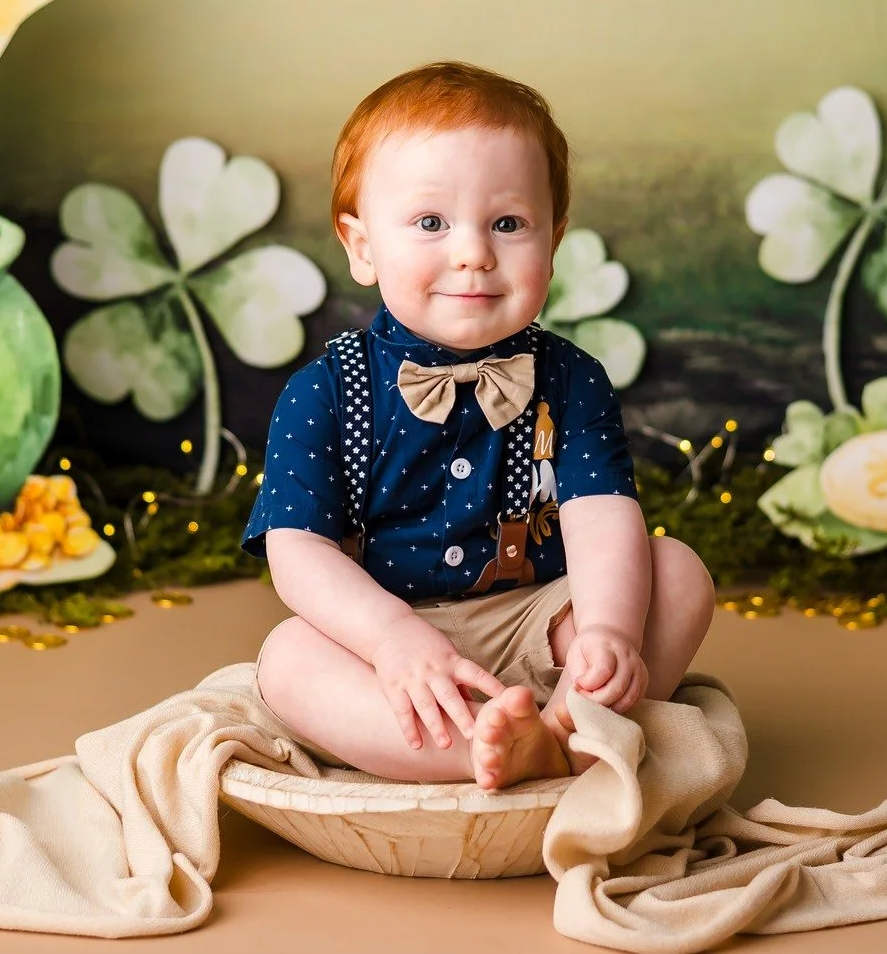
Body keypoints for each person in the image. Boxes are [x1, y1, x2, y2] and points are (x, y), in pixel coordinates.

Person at [245, 62, 715, 790]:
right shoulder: (325, 391)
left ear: (553, 239)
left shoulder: (570, 378)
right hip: (387, 638)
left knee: (676, 572)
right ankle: (478, 754)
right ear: (362, 244)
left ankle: (569, 722)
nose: (474, 251)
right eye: (431, 222)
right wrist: (392, 637)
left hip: (536, 618)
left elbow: (600, 513)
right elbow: (298, 552)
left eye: (508, 222)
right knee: (287, 659)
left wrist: (606, 632)